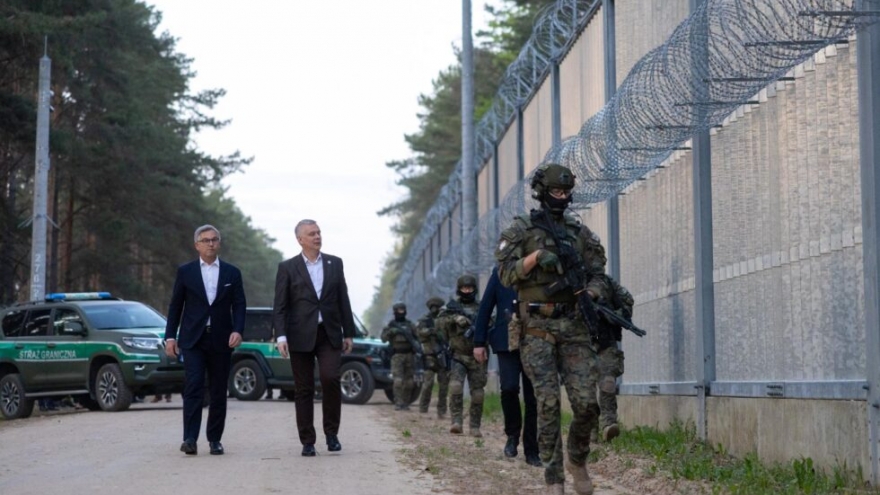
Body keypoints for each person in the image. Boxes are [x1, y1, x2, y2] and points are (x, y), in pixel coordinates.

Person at [496, 163, 607, 495]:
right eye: (556, 192)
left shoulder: (579, 234)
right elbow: (504, 274)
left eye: (566, 192)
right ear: (542, 193)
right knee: (546, 404)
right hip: (536, 326)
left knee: (586, 404)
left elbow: (599, 275)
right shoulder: (521, 230)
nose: (561, 197)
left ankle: (577, 459)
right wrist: (534, 258)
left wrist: (590, 294)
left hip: (573, 324)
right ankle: (553, 478)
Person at [273, 219, 356, 457]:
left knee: (331, 378)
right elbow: (280, 305)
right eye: (311, 234)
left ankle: (332, 434)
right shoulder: (287, 267)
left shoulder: (334, 263)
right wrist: (281, 336)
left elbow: (343, 299)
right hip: (299, 334)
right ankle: (307, 441)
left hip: (329, 333)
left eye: (318, 232)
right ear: (300, 239)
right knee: (304, 388)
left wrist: (349, 332)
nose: (317, 236)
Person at [164, 224, 246, 456]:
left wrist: (238, 330)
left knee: (219, 390)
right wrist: (170, 336)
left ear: (219, 243)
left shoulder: (232, 273)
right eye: (206, 240)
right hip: (193, 340)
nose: (211, 243)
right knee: (194, 386)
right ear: (197, 245)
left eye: (214, 239)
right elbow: (176, 306)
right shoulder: (186, 271)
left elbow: (239, 304)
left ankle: (215, 439)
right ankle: (190, 438)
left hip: (222, 339)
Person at [473, 266, 541, 467]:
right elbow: (485, 307)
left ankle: (532, 449)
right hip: (506, 341)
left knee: (533, 396)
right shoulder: (501, 272)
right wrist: (479, 342)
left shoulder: (539, 270)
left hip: (536, 340)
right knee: (509, 388)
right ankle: (512, 435)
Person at [435, 275, 487, 437]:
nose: (467, 291)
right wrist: (455, 319)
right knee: (456, 387)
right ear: (459, 289)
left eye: (470, 288)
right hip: (458, 355)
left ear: (474, 289)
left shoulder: (482, 307)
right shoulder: (451, 308)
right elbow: (438, 323)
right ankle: (456, 421)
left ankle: (475, 426)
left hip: (477, 356)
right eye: (464, 288)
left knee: (478, 393)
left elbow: (491, 323)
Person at [590, 273, 634, 443]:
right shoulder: (573, 282)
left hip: (606, 342)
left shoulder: (607, 284)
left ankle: (609, 424)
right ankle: (590, 428)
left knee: (607, 383)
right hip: (580, 344)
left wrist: (612, 314)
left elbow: (627, 302)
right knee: (585, 390)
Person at [381, 303, 421, 411]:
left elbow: (418, 338)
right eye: (399, 310)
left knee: (409, 382)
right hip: (397, 355)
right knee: (398, 380)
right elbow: (383, 339)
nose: (401, 312)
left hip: (409, 355)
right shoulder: (391, 325)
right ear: (395, 311)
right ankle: (398, 403)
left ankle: (406, 403)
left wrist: (417, 346)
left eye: (402, 309)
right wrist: (392, 332)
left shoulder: (410, 325)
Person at [416, 296, 449, 418]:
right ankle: (423, 408)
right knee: (428, 383)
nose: (435, 309)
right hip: (429, 355)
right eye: (433, 307)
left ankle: (442, 410)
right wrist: (431, 331)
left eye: (437, 307)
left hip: (443, 355)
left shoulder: (444, 319)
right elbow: (419, 332)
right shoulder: (425, 320)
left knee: (444, 385)